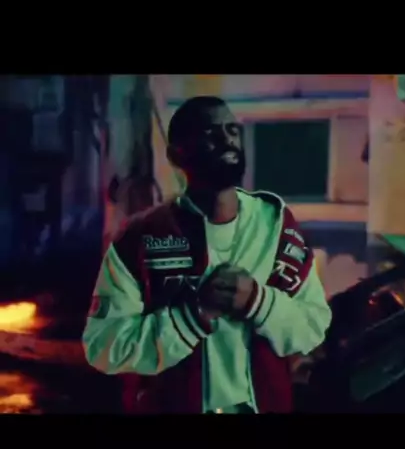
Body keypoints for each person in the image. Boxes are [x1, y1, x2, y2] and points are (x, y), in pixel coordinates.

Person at [83, 96, 332, 413]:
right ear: (176, 155)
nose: (227, 139)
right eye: (209, 133)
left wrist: (259, 301)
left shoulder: (276, 225)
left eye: (232, 130)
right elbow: (103, 347)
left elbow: (312, 329)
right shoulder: (141, 237)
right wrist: (193, 316)